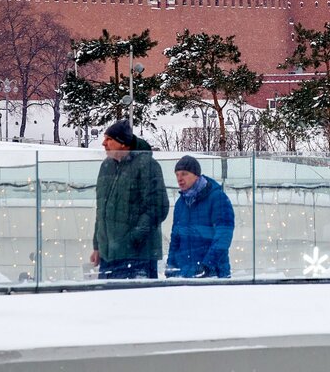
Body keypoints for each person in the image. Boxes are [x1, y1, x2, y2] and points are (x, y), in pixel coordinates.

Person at [91, 119, 170, 280]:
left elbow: (157, 207)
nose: (103, 143)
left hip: (138, 256)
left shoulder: (146, 164)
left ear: (123, 143)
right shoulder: (106, 166)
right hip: (109, 255)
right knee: (108, 302)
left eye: (109, 139)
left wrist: (133, 239)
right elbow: (102, 210)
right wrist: (98, 245)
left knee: (136, 303)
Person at [166, 155, 235, 279]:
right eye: (177, 175)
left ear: (196, 174)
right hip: (185, 275)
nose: (179, 179)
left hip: (213, 275)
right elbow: (175, 238)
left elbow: (224, 235)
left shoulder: (217, 198)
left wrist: (207, 266)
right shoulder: (180, 204)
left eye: (184, 174)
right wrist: (171, 265)